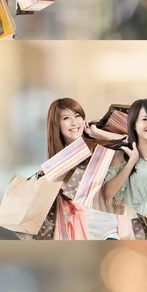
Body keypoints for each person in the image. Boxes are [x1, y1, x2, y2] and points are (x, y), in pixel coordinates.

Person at [46, 98, 127, 240]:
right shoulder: (57, 165)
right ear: (56, 125)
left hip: (110, 232)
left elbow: (130, 147)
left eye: (78, 116)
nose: (74, 122)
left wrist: (98, 134)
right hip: (79, 233)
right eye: (66, 118)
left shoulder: (101, 148)